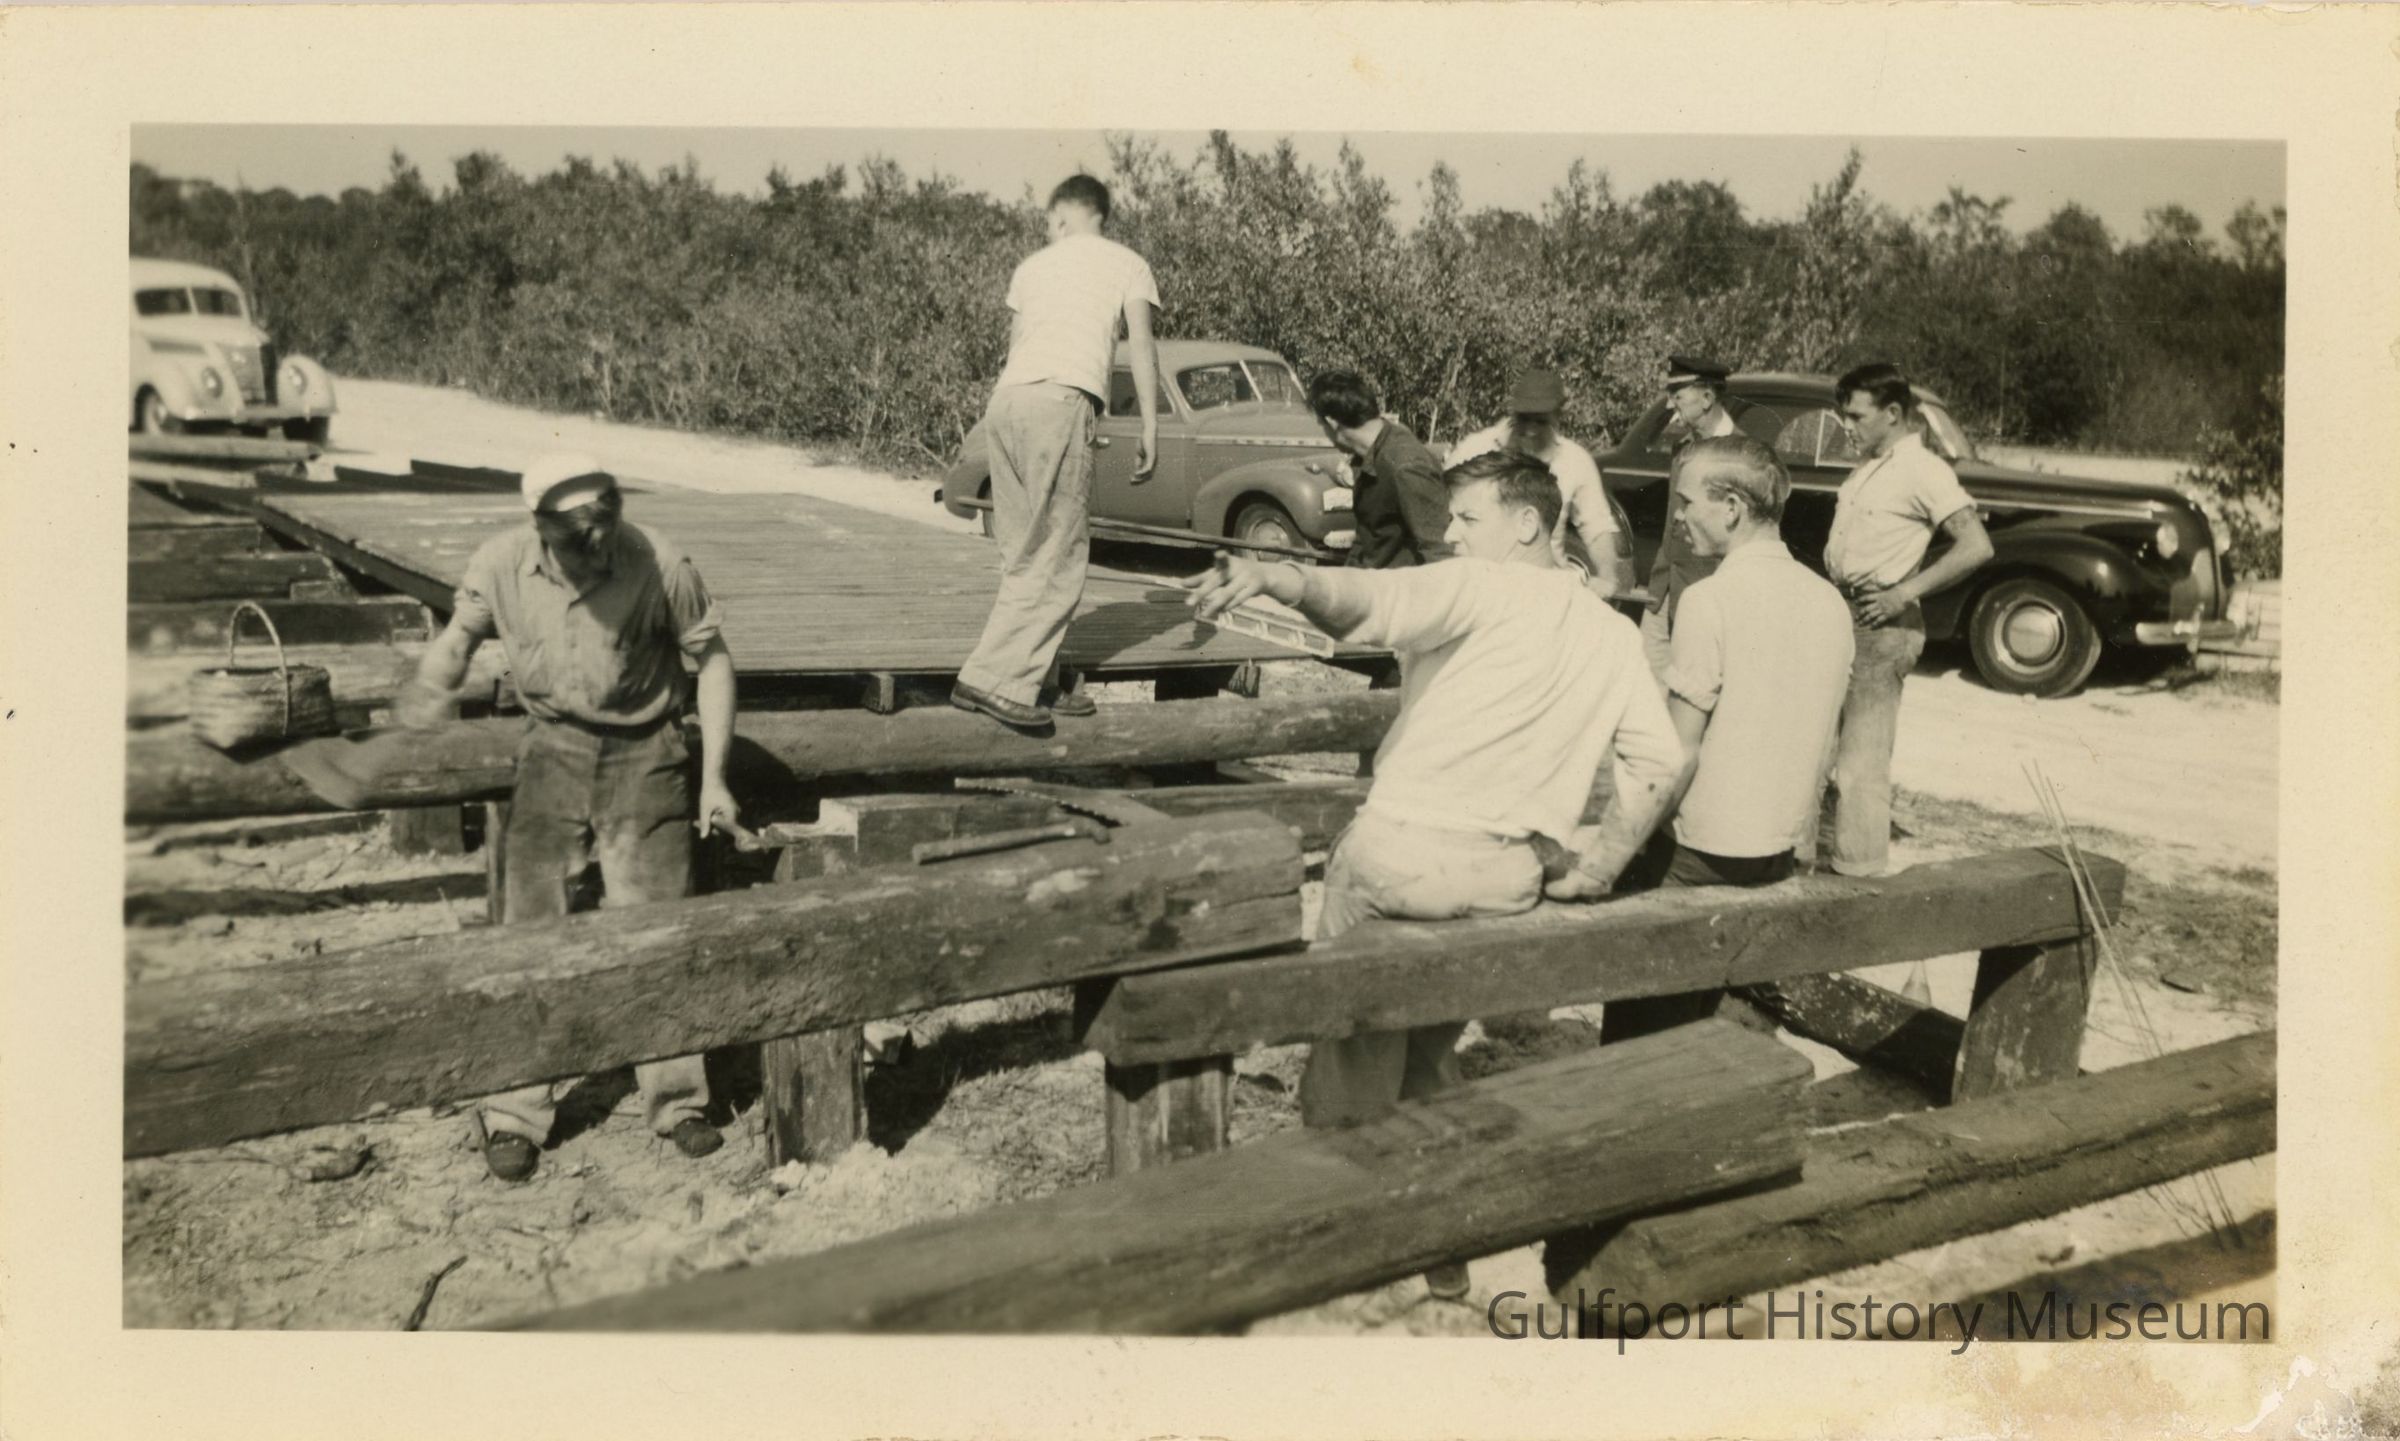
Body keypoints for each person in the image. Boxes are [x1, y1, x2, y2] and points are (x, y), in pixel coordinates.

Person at [1183, 450, 1685, 1296]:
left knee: (1353, 1051)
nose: (1450, 534)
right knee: (1426, 1045)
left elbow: (1369, 602)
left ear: (1526, 524)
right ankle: (1440, 1228)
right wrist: (1599, 867)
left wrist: (1277, 575)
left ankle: (1340, 1232)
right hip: (1505, 877)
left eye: (1467, 518)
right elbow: (1660, 762)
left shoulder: (1482, 584)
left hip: (1401, 859)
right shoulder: (1611, 631)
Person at [400, 452, 741, 1184]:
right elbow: (458, 640)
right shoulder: (500, 564)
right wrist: (432, 684)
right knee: (531, 930)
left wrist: (713, 778)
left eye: (606, 535)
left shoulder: (663, 564)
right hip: (552, 749)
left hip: (646, 753)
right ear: (542, 529)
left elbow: (712, 662)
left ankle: (678, 1100)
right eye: (578, 544)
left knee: (655, 930)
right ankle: (515, 1112)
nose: (597, 555)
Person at [1593, 436, 1855, 1042]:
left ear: (1732, 507)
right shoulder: (1829, 603)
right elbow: (1824, 745)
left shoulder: (1709, 600)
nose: (1678, 517)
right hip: (1775, 849)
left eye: (1687, 502)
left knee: (1640, 1035)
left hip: (1697, 852)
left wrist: (1609, 855)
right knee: (1702, 1019)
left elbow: (1677, 753)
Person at [951, 174, 1161, 735]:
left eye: (1049, 221)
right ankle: (991, 680)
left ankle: (1039, 677)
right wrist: (1148, 424)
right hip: (1061, 401)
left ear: (1064, 216)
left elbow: (1016, 347)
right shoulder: (1129, 263)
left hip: (1008, 402)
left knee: (1022, 551)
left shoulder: (1031, 268)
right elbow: (1141, 346)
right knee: (1060, 553)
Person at [1817, 362, 1995, 879]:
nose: (1847, 427)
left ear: (1893, 413)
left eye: (1856, 417)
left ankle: (1859, 875)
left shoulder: (1924, 470)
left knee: (1860, 764)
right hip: (1842, 615)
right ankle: (1810, 861)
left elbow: (1976, 546)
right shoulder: (1870, 466)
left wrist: (1903, 594)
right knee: (1818, 749)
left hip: (1881, 627)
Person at [1638, 354, 1782, 681]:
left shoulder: (1744, 455)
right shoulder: (1682, 448)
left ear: (1706, 398)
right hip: (1664, 589)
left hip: (1708, 595)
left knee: (1695, 686)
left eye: (1678, 396)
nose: (1670, 405)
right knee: (1645, 683)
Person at [1448, 368, 1633, 595]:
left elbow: (1597, 527)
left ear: (1558, 416)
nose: (1530, 430)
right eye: (1523, 419)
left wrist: (1607, 577)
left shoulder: (1574, 461)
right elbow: (1440, 514)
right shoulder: (1475, 449)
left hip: (1542, 590)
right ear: (1512, 412)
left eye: (1540, 421)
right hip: (1479, 586)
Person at [1307, 369, 1451, 571]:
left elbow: (1441, 553)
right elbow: (1370, 536)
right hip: (1370, 577)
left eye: (1321, 425)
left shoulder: (1406, 465)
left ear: (1332, 423)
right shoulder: (1370, 453)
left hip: (1398, 585)